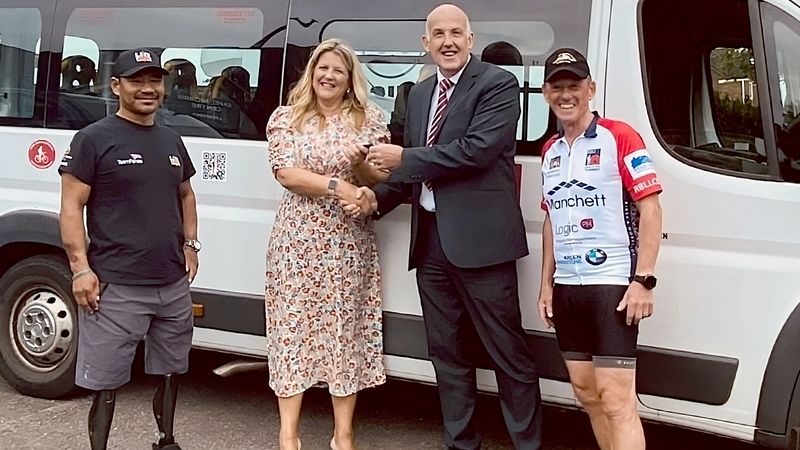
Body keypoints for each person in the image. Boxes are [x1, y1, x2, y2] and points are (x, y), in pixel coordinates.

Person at [356, 4, 543, 449]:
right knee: (447, 354)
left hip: (483, 245)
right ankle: (461, 444)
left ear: (471, 39)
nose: (447, 42)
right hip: (432, 246)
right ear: (426, 44)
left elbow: (475, 151)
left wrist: (404, 157)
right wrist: (372, 200)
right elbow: (411, 173)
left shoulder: (498, 84)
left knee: (508, 354)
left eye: (456, 33)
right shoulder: (419, 94)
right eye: (437, 34)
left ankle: (528, 445)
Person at [59, 48, 199, 450]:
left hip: (171, 284)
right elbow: (71, 207)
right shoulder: (93, 139)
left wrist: (191, 245)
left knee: (171, 371)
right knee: (106, 382)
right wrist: (80, 269)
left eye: (154, 80)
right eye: (136, 80)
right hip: (116, 286)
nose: (147, 89)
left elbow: (186, 194)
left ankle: (166, 440)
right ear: (116, 86)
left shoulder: (171, 140)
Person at [264, 38, 389, 450]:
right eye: (322, 67)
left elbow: (377, 180)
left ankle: (343, 434)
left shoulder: (369, 119)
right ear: (311, 73)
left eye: (338, 69)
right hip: (296, 242)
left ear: (351, 78)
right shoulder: (286, 118)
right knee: (291, 330)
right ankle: (289, 434)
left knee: (343, 332)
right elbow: (286, 173)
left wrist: (358, 168)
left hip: (346, 244)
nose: (328, 75)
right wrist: (339, 186)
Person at [536, 47, 663, 450]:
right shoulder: (549, 151)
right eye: (557, 87)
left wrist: (643, 280)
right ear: (545, 94)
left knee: (617, 400)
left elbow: (651, 208)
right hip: (568, 288)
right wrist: (545, 286)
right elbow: (550, 221)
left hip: (611, 286)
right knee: (587, 394)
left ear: (590, 89)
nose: (566, 95)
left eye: (574, 86)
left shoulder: (619, 136)